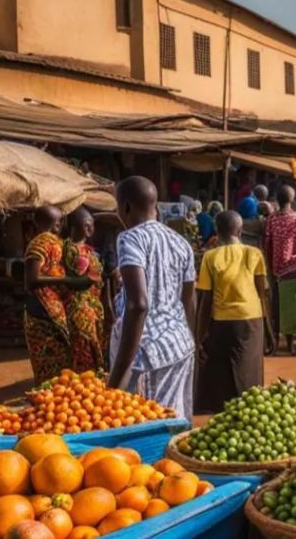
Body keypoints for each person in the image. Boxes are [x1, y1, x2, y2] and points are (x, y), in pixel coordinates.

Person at [109, 177, 198, 420]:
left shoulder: (130, 238)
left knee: (141, 424)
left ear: (125, 207)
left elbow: (138, 305)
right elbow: (189, 301)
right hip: (180, 346)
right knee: (174, 421)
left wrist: (116, 376)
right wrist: (193, 341)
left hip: (147, 352)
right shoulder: (181, 243)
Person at [194, 211, 271, 414]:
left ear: (217, 232)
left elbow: (206, 300)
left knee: (221, 374)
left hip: (221, 321)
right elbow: (263, 294)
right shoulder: (254, 254)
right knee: (249, 372)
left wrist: (198, 336)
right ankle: (250, 413)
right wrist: (270, 331)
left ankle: (224, 414)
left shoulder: (209, 257)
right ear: (239, 230)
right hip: (251, 320)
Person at [24, 206, 91, 382]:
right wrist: (65, 280)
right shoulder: (41, 243)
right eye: (61, 221)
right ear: (58, 223)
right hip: (42, 308)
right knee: (50, 361)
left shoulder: (55, 243)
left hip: (52, 308)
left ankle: (53, 398)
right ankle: (48, 399)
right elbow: (31, 279)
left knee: (58, 361)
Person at [262, 185, 296, 354]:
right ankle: (291, 344)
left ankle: (275, 343)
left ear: (277, 199)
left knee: (277, 306)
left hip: (278, 270)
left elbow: (267, 245)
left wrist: (269, 267)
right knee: (295, 305)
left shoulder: (271, 220)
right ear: (292, 199)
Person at [63, 208, 109, 371]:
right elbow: (74, 281)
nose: (91, 229)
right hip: (80, 307)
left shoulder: (87, 250)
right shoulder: (72, 250)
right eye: (87, 225)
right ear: (75, 227)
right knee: (84, 348)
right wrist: (91, 278)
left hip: (93, 306)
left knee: (95, 347)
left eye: (92, 226)